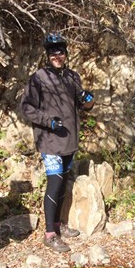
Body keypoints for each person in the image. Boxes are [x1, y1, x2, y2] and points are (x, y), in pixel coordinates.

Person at [20, 32, 94, 253]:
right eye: (52, 51)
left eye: (60, 50)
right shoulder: (38, 78)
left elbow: (81, 106)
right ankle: (50, 234)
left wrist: (88, 101)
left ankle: (59, 225)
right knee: (54, 183)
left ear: (65, 53)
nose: (56, 55)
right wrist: (48, 121)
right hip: (50, 141)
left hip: (69, 140)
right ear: (47, 54)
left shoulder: (73, 76)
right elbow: (26, 108)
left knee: (62, 184)